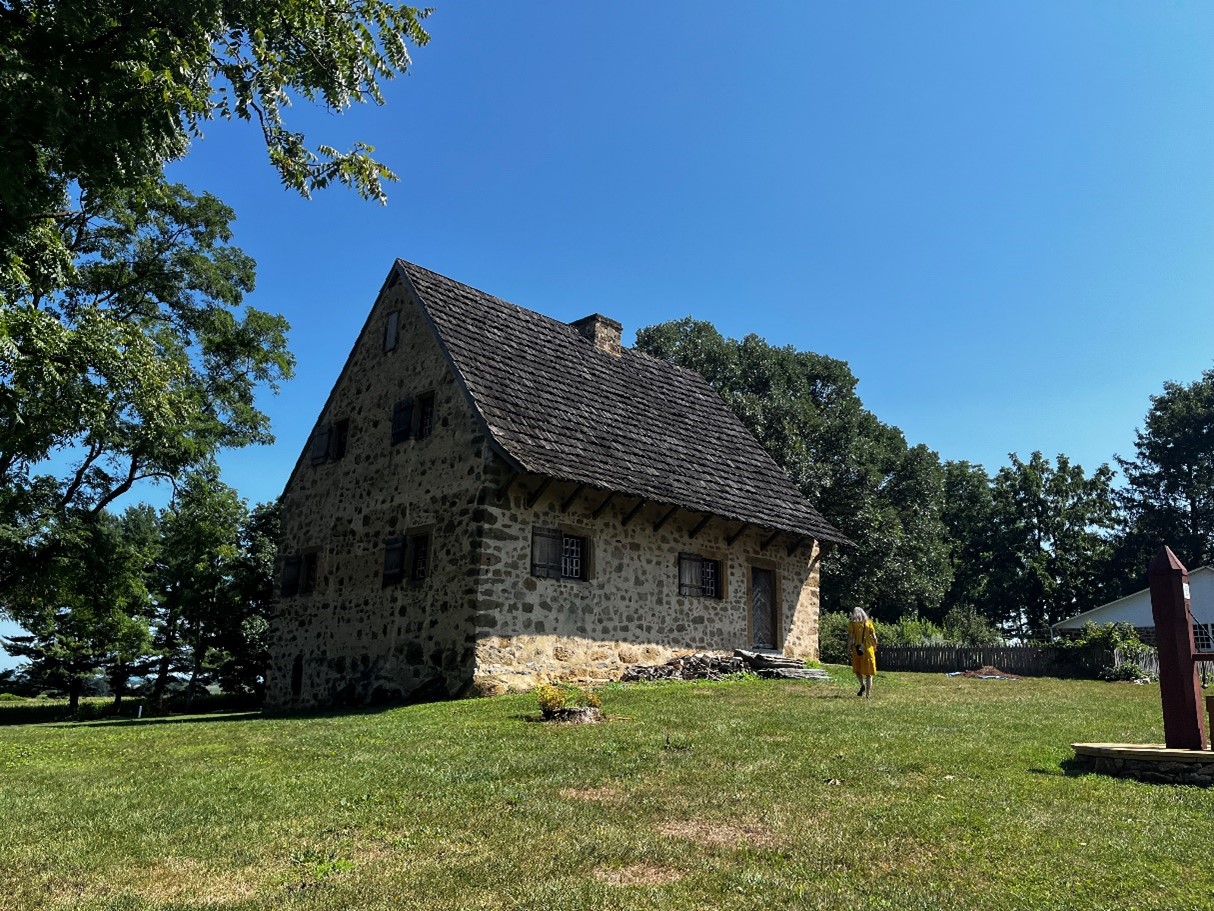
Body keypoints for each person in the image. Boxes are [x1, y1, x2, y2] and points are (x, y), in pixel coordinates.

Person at [847, 607, 878, 698]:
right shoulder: (869, 623)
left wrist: (848, 648)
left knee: (857, 670)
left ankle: (862, 685)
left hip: (857, 649)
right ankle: (868, 695)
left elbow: (851, 638)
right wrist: (875, 646)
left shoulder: (852, 624)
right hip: (868, 649)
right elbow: (874, 637)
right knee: (869, 674)